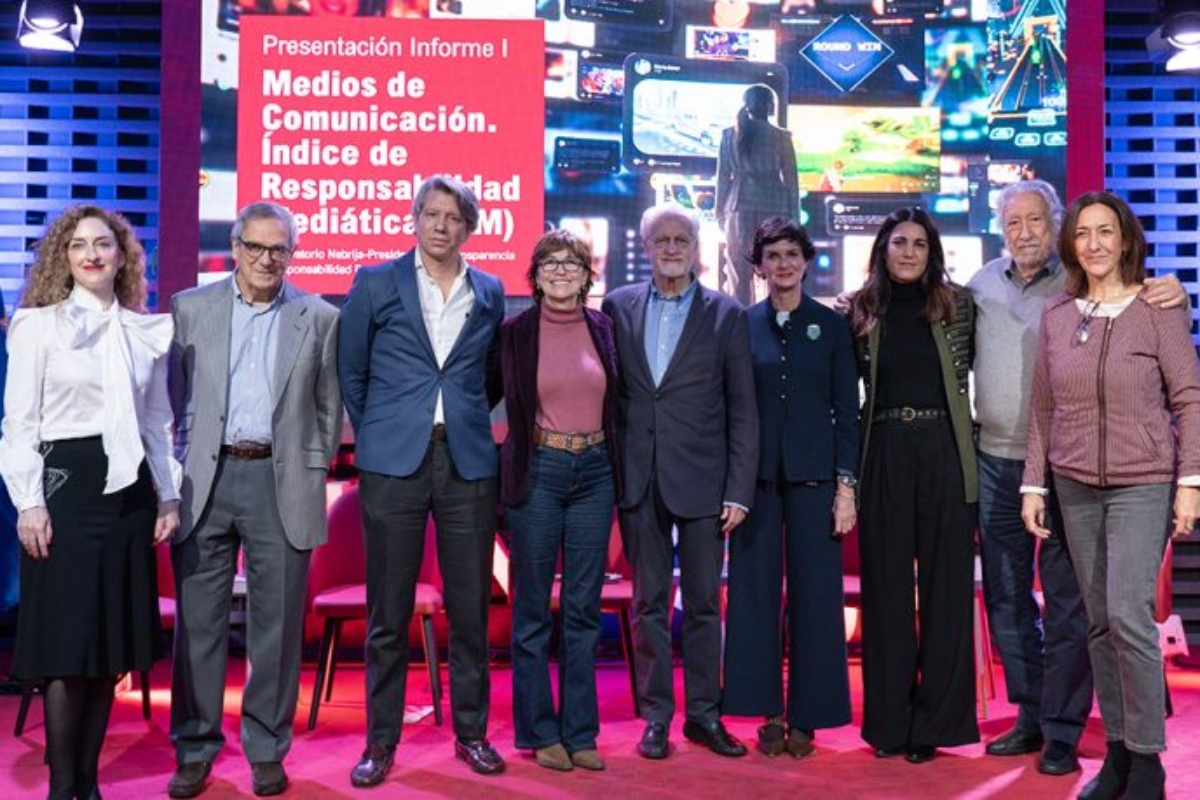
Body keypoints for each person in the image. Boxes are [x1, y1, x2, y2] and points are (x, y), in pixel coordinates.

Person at [1021, 191, 1200, 800]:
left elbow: (1189, 400)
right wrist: (1033, 482)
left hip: (1143, 481)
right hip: (1072, 484)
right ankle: (1119, 755)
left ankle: (1147, 762)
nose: (1094, 244)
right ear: (1071, 244)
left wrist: (1190, 483)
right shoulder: (1057, 315)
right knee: (1098, 623)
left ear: (1125, 240)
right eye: (1082, 234)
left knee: (1127, 616)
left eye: (1106, 232)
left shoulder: (1159, 309)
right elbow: (1044, 407)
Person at [0, 205, 180, 800]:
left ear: (123, 256)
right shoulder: (38, 325)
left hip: (128, 495)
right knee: (68, 647)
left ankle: (90, 783)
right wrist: (29, 502)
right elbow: (19, 424)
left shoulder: (141, 330)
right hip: (63, 490)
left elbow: (156, 422)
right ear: (64, 257)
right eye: (79, 245)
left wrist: (169, 494)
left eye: (104, 244)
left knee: (108, 650)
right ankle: (62, 785)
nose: (93, 254)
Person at [166, 201, 341, 799]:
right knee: (198, 626)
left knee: (278, 626)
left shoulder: (318, 317)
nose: (268, 259)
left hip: (280, 481)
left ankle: (267, 747)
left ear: (293, 253)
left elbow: (328, 405)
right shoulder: (190, 308)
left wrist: (312, 468)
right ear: (236, 247)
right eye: (257, 247)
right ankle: (194, 746)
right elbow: (169, 397)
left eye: (280, 249)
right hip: (203, 484)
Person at [338, 175, 506, 785]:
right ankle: (380, 744)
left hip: (466, 463)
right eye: (431, 214)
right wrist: (381, 429)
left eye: (453, 217)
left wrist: (458, 420)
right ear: (415, 219)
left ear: (468, 228)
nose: (441, 225)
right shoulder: (375, 281)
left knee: (468, 609)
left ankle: (472, 733)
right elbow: (350, 371)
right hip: (393, 463)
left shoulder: (488, 291)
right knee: (389, 610)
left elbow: (493, 377)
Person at [601, 203, 758, 761]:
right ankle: (655, 716)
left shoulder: (727, 314)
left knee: (702, 606)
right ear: (645, 248)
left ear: (697, 248)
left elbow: (743, 409)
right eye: (660, 240)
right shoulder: (617, 307)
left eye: (681, 240)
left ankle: (704, 715)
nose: (671, 248)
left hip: (704, 483)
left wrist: (739, 488)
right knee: (647, 604)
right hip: (639, 478)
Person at [722, 217, 858, 759]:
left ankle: (810, 714)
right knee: (753, 599)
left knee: (816, 600)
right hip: (754, 486)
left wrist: (846, 487)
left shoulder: (831, 325)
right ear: (759, 266)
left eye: (791, 254)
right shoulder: (740, 325)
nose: (782, 263)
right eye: (772, 255)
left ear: (806, 261)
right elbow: (730, 407)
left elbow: (847, 412)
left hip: (815, 483)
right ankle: (767, 711)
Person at [848, 207, 979, 763]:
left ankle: (935, 725)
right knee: (886, 592)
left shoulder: (960, 306)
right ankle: (889, 725)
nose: (908, 252)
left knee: (949, 590)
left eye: (919, 244)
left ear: (933, 253)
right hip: (882, 451)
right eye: (898, 242)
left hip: (945, 450)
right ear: (881, 250)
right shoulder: (858, 310)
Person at [498, 229, 620, 772]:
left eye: (572, 262)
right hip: (540, 472)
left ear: (587, 273)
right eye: (551, 262)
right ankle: (539, 732)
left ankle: (580, 731)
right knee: (531, 613)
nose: (562, 270)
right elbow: (479, 395)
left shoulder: (604, 328)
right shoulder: (514, 333)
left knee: (582, 610)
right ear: (536, 273)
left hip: (596, 474)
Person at [715, 84, 798, 306]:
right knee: (775, 266)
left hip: (737, 205)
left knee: (738, 271)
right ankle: (776, 320)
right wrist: (795, 217)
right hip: (775, 206)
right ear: (770, 105)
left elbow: (723, 177)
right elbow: (791, 180)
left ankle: (740, 322)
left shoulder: (728, 135)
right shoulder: (782, 137)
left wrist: (719, 212)